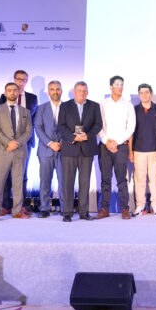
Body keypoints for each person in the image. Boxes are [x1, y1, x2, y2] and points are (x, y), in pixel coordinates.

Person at [57, 81, 102, 222]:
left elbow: (98, 124)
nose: (82, 93)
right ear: (74, 92)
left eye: (84, 91)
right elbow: (61, 126)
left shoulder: (94, 106)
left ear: (87, 92)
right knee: (67, 183)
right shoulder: (65, 106)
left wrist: (88, 135)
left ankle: (84, 212)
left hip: (87, 148)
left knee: (85, 182)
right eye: (79, 91)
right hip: (69, 149)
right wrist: (73, 137)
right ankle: (67, 212)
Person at [0, 83, 33, 221]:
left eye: (15, 90)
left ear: (18, 92)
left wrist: (17, 143)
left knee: (18, 182)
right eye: (9, 90)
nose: (12, 92)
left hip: (20, 151)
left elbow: (29, 131)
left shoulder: (25, 111)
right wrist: (8, 142)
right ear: (5, 93)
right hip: (2, 150)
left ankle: (17, 211)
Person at [0, 70, 38, 214]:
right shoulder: (4, 96)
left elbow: (34, 120)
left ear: (27, 81)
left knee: (23, 174)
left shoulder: (33, 98)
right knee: (6, 173)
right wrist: (8, 140)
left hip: (25, 142)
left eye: (24, 80)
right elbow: (1, 118)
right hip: (8, 142)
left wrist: (23, 138)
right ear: (14, 79)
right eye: (19, 79)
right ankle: (5, 205)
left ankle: (20, 205)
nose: (21, 82)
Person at [97, 76, 136, 220]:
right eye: (117, 84)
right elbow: (99, 125)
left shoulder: (128, 105)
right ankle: (104, 209)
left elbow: (131, 127)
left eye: (121, 85)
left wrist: (116, 142)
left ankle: (124, 209)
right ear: (111, 87)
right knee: (105, 178)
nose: (120, 87)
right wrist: (107, 141)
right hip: (104, 146)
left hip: (121, 146)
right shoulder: (102, 104)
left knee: (121, 179)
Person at [130, 83, 156, 215]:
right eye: (141, 93)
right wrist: (130, 151)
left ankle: (155, 205)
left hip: (154, 150)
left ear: (151, 94)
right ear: (139, 95)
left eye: (146, 92)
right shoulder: (134, 110)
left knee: (154, 179)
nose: (144, 95)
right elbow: (131, 132)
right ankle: (140, 205)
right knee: (140, 179)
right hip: (138, 150)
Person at [34, 80, 63, 218]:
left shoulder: (68, 107)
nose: (55, 91)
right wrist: (50, 143)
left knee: (64, 181)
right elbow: (38, 128)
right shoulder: (41, 108)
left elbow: (70, 128)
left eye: (57, 89)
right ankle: (44, 208)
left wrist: (62, 143)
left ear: (61, 91)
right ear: (48, 91)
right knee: (45, 181)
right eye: (52, 89)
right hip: (45, 150)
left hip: (63, 150)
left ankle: (65, 208)